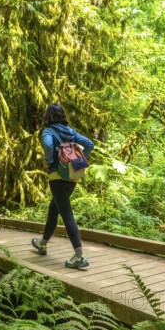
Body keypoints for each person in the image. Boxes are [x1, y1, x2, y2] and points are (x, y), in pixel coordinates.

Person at [31, 104, 95, 268]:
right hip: (72, 178)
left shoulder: (48, 131)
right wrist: (79, 162)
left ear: (48, 117)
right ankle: (43, 243)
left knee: (67, 215)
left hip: (57, 177)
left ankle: (79, 256)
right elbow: (89, 144)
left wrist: (51, 162)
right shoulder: (71, 132)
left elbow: (49, 146)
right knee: (54, 210)